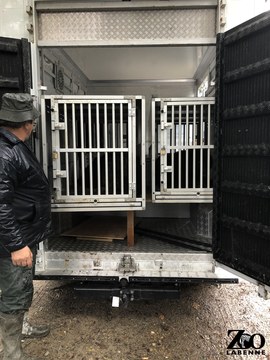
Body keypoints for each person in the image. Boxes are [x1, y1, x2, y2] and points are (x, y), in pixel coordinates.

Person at [0, 93, 51, 360]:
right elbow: (0, 205)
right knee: (14, 293)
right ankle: (12, 353)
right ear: (27, 123)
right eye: (32, 121)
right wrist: (17, 245)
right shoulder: (6, 152)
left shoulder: (12, 145)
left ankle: (23, 328)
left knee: (21, 288)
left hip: (21, 233)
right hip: (13, 240)